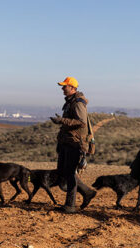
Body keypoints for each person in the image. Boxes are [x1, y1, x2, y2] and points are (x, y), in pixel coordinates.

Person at [50, 76, 97, 213]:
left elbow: (81, 122)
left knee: (69, 174)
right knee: (64, 173)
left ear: (73, 88)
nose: (63, 89)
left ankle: (70, 205)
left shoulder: (78, 103)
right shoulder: (71, 102)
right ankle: (87, 192)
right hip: (67, 141)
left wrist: (62, 120)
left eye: (65, 86)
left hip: (74, 143)